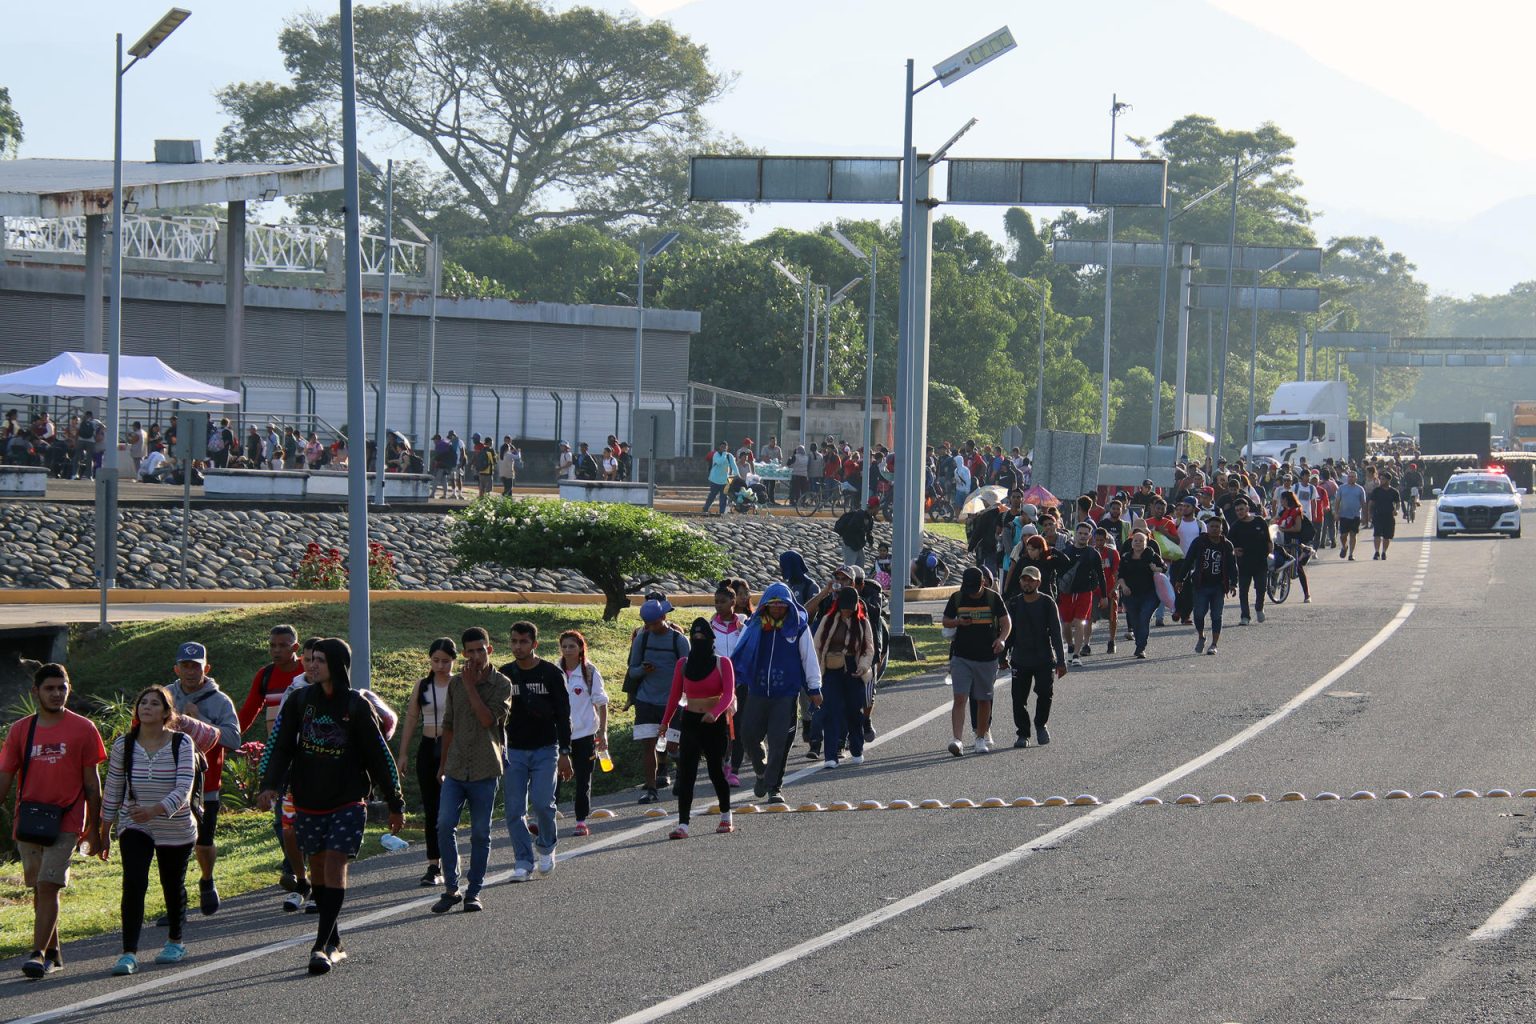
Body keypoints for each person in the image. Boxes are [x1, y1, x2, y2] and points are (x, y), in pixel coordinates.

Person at [258, 639, 404, 974]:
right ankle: (334, 939)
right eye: (310, 661)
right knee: (321, 869)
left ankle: (320, 945)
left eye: (319, 661)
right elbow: (281, 748)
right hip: (309, 799)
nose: (311, 666)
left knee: (336, 861)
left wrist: (395, 803)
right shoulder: (299, 700)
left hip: (348, 800)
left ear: (337, 664)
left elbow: (378, 757)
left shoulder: (355, 704)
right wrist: (269, 786)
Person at [98, 686, 221, 975]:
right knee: (134, 882)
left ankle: (175, 941)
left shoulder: (182, 744)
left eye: (155, 703)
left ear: (167, 712)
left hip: (176, 826)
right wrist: (103, 831)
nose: (147, 707)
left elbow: (183, 789)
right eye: (143, 703)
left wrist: (154, 810)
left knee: (171, 882)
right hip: (135, 825)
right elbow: (113, 790)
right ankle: (128, 952)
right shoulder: (123, 746)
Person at [0, 664, 106, 979]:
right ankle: (54, 951)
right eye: (50, 688)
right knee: (39, 888)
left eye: (62, 687)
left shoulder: (84, 728)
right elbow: (5, 775)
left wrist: (97, 828)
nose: (57, 693)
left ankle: (37, 953)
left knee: (49, 885)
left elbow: (92, 782)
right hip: (30, 821)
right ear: (36, 692)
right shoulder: (21, 730)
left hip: (67, 820)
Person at [430, 629, 511, 914]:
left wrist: (471, 686)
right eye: (471, 651)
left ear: (490, 649)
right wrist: (442, 764)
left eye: (481, 650)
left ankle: (474, 890)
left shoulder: (502, 684)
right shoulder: (455, 685)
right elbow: (448, 725)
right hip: (455, 767)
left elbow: (488, 719)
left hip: (485, 768)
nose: (476, 656)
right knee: (444, 824)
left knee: (480, 832)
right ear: (464, 653)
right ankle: (451, 887)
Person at [236, 625, 309, 904]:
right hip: (281, 758)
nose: (277, 650)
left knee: (303, 816)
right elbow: (248, 711)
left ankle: (295, 869)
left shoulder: (308, 671)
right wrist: (231, 737)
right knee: (281, 820)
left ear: (295, 647)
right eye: (272, 645)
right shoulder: (265, 675)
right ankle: (294, 865)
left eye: (283, 645)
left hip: (310, 757)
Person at [167, 642, 240, 918]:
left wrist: (199, 719)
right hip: (171, 783)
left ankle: (207, 879)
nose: (189, 671)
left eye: (195, 666)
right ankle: (178, 902)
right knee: (173, 846)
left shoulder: (220, 701)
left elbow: (234, 739)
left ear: (206, 668)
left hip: (207, 784)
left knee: (204, 842)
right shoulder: (166, 695)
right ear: (176, 668)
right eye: (184, 666)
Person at [497, 621, 573, 882]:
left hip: (545, 748)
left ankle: (547, 846)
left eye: (523, 642)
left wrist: (565, 752)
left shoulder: (551, 673)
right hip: (513, 750)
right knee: (514, 810)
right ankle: (522, 860)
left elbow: (564, 715)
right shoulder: (504, 674)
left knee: (542, 802)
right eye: (514, 641)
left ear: (534, 644)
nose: (518, 647)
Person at [734, 583, 823, 804]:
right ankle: (761, 771)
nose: (776, 609)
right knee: (748, 734)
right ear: (765, 605)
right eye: (772, 605)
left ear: (789, 607)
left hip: (785, 694)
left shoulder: (798, 628)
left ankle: (774, 787)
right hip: (757, 690)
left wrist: (814, 688)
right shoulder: (754, 625)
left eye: (781, 606)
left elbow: (809, 658)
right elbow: (740, 651)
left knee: (779, 740)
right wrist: (733, 681)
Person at [660, 618, 737, 839]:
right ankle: (683, 824)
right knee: (686, 774)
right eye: (695, 637)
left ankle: (725, 815)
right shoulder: (683, 664)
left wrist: (715, 713)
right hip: (691, 721)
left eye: (703, 637)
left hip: (714, 723)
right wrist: (665, 722)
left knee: (715, 771)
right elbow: (674, 696)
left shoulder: (723, 663)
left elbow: (729, 693)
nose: (698, 641)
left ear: (711, 639)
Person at [398, 638, 457, 889]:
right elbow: (412, 717)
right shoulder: (422, 685)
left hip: (452, 748)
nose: (440, 666)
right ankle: (434, 864)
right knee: (431, 809)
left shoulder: (459, 683)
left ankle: (452, 859)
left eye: (445, 661)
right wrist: (402, 753)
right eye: (436, 661)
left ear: (454, 660)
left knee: (448, 810)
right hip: (427, 747)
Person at [941, 567, 1010, 756]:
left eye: (974, 588)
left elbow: (1006, 622)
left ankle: (980, 737)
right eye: (967, 588)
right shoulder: (957, 597)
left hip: (987, 657)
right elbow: (946, 620)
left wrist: (1002, 639)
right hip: (961, 656)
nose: (970, 593)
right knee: (960, 698)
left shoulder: (993, 598)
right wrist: (958, 622)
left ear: (983, 583)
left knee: (983, 699)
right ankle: (957, 739)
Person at [625, 599, 688, 803]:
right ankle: (651, 789)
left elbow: (689, 672)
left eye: (653, 623)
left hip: (673, 702)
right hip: (646, 700)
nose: (650, 627)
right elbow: (632, 671)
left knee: (672, 747)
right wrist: (643, 669)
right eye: (646, 623)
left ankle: (682, 773)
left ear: (663, 617)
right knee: (648, 745)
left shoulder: (678, 640)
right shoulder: (641, 639)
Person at [812, 587, 876, 768]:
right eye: (844, 606)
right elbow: (817, 646)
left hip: (854, 669)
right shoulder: (828, 620)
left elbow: (868, 648)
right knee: (831, 711)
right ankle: (830, 756)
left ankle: (857, 749)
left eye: (850, 607)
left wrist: (863, 667)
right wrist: (818, 670)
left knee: (853, 711)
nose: (846, 610)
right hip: (831, 669)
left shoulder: (863, 623)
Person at [1006, 565, 1068, 745]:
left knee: (1044, 693)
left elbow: (1056, 633)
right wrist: (1002, 657)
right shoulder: (1014, 603)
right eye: (1024, 579)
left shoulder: (1047, 603)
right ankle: (1023, 734)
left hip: (1043, 658)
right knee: (1018, 699)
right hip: (1020, 659)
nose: (1027, 583)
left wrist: (1061, 662)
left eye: (1031, 580)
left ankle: (1041, 725)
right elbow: (1009, 632)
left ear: (1038, 582)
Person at [557, 630, 608, 837]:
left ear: (580, 649)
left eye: (572, 646)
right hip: (560, 736)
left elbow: (602, 703)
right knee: (553, 780)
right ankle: (547, 819)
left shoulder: (589, 672)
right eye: (564, 646)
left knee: (583, 780)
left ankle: (580, 820)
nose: (568, 650)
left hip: (585, 735)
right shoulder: (554, 670)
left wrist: (603, 733)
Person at [1185, 514, 1237, 656]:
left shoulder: (1226, 545)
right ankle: (1201, 636)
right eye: (1212, 526)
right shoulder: (1199, 542)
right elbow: (1188, 560)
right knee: (1199, 614)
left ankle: (1214, 644)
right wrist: (1180, 579)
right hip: (1201, 585)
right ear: (1207, 528)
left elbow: (1233, 566)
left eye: (1217, 527)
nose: (1214, 529)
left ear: (1221, 529)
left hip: (1218, 586)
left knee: (1216, 615)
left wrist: (1234, 583)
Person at [1057, 522, 1106, 665]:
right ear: (1075, 534)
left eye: (1086, 534)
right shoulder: (1066, 552)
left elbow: (1100, 575)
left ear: (1090, 536)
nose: (1083, 536)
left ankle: (1076, 655)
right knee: (1066, 624)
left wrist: (1104, 596)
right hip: (1066, 593)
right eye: (1080, 533)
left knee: (1079, 622)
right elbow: (1057, 574)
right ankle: (1070, 646)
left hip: (1085, 593)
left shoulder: (1093, 553)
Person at [1115, 530, 1168, 659]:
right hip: (1130, 595)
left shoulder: (1151, 555)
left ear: (1146, 543)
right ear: (1131, 543)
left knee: (1144, 617)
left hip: (1150, 594)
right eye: (1135, 540)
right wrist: (1124, 586)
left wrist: (1156, 569)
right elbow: (1120, 576)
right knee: (1134, 620)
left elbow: (1164, 568)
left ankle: (1141, 647)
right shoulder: (1126, 557)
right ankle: (1139, 642)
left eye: (1141, 541)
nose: (1138, 543)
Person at [1227, 499, 1273, 624]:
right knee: (1243, 591)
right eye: (1237, 510)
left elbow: (1269, 541)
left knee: (1261, 588)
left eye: (1241, 509)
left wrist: (1269, 551)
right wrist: (1235, 550)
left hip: (1260, 562)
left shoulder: (1259, 521)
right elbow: (1228, 546)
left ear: (1247, 509)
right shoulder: (1235, 526)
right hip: (1243, 564)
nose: (1239, 512)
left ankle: (1259, 608)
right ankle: (1245, 616)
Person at [1274, 490, 1314, 602]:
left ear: (1286, 499)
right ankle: (1274, 590)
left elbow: (1297, 528)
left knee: (1297, 567)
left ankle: (1307, 595)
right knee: (1278, 564)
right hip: (1282, 541)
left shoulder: (1297, 511)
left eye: (1282, 499)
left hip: (1293, 541)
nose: (1280, 501)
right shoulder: (1283, 512)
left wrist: (1284, 529)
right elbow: (1276, 520)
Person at [833, 499, 877, 570]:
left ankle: (858, 581)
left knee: (859, 570)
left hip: (859, 546)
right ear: (875, 507)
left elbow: (869, 532)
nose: (878, 510)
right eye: (877, 508)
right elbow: (851, 529)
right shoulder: (860, 515)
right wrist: (863, 526)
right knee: (849, 569)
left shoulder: (869, 518)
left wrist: (871, 544)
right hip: (850, 546)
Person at [1335, 470, 1367, 561]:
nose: (1351, 478)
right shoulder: (1341, 488)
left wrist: (1364, 516)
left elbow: (1363, 503)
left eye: (1353, 477)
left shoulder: (1360, 489)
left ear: (1356, 478)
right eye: (1349, 476)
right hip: (1344, 515)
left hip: (1355, 515)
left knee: (1353, 534)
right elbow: (1337, 501)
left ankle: (1351, 554)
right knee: (1343, 536)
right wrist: (1336, 513)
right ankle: (1344, 547)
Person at [1369, 473, 1401, 560]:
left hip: (1389, 517)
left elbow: (1398, 503)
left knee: (1387, 536)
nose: (1381, 481)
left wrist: (1397, 510)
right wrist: (1370, 514)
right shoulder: (1376, 490)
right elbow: (1371, 503)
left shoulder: (1394, 492)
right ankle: (1376, 552)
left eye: (1383, 479)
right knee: (1377, 534)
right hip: (1378, 515)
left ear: (1388, 480)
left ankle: (1384, 552)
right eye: (1381, 479)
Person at [703, 441, 739, 515]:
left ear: (727, 447)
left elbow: (734, 466)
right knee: (712, 496)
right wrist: (723, 454)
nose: (723, 448)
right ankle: (705, 509)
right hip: (715, 480)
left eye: (725, 447)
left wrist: (737, 475)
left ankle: (722, 512)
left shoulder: (730, 456)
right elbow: (719, 462)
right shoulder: (716, 454)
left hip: (726, 481)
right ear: (719, 447)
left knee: (724, 497)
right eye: (722, 447)